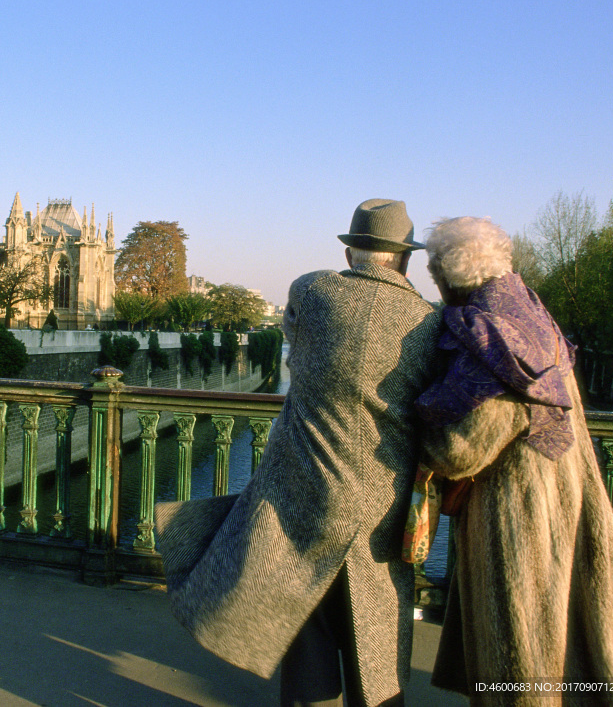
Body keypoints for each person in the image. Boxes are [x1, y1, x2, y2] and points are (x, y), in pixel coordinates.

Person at [155, 199, 441, 706]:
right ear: (404, 258)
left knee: (303, 623)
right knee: (374, 639)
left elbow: (295, 342)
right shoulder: (426, 322)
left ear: (352, 250)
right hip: (380, 503)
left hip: (303, 488)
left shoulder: (311, 290)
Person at [416, 217, 613, 705]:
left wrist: (423, 442)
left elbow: (464, 447)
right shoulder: (533, 315)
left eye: (434, 271)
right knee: (574, 633)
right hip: (565, 492)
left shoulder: (490, 336)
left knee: (523, 644)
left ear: (449, 275)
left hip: (520, 512)